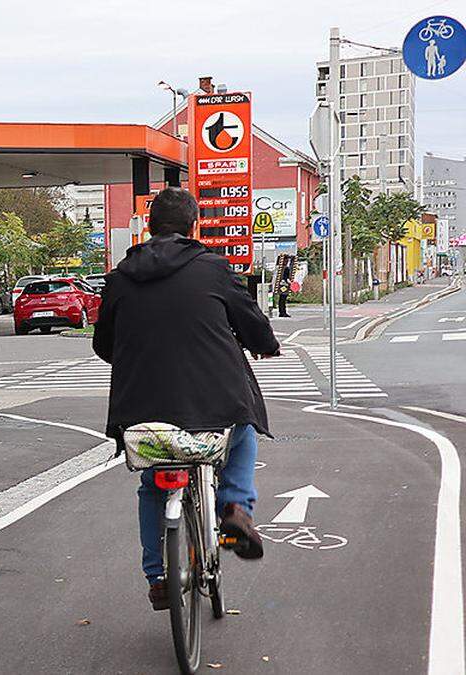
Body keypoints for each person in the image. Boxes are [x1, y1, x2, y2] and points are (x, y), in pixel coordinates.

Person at [92, 187, 278, 611]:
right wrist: (265, 344)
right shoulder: (213, 268)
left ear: (149, 227)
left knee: (151, 485)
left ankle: (157, 576)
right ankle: (235, 509)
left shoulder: (120, 278)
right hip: (214, 401)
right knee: (243, 428)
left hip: (142, 408)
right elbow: (249, 320)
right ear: (195, 227)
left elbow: (104, 345)